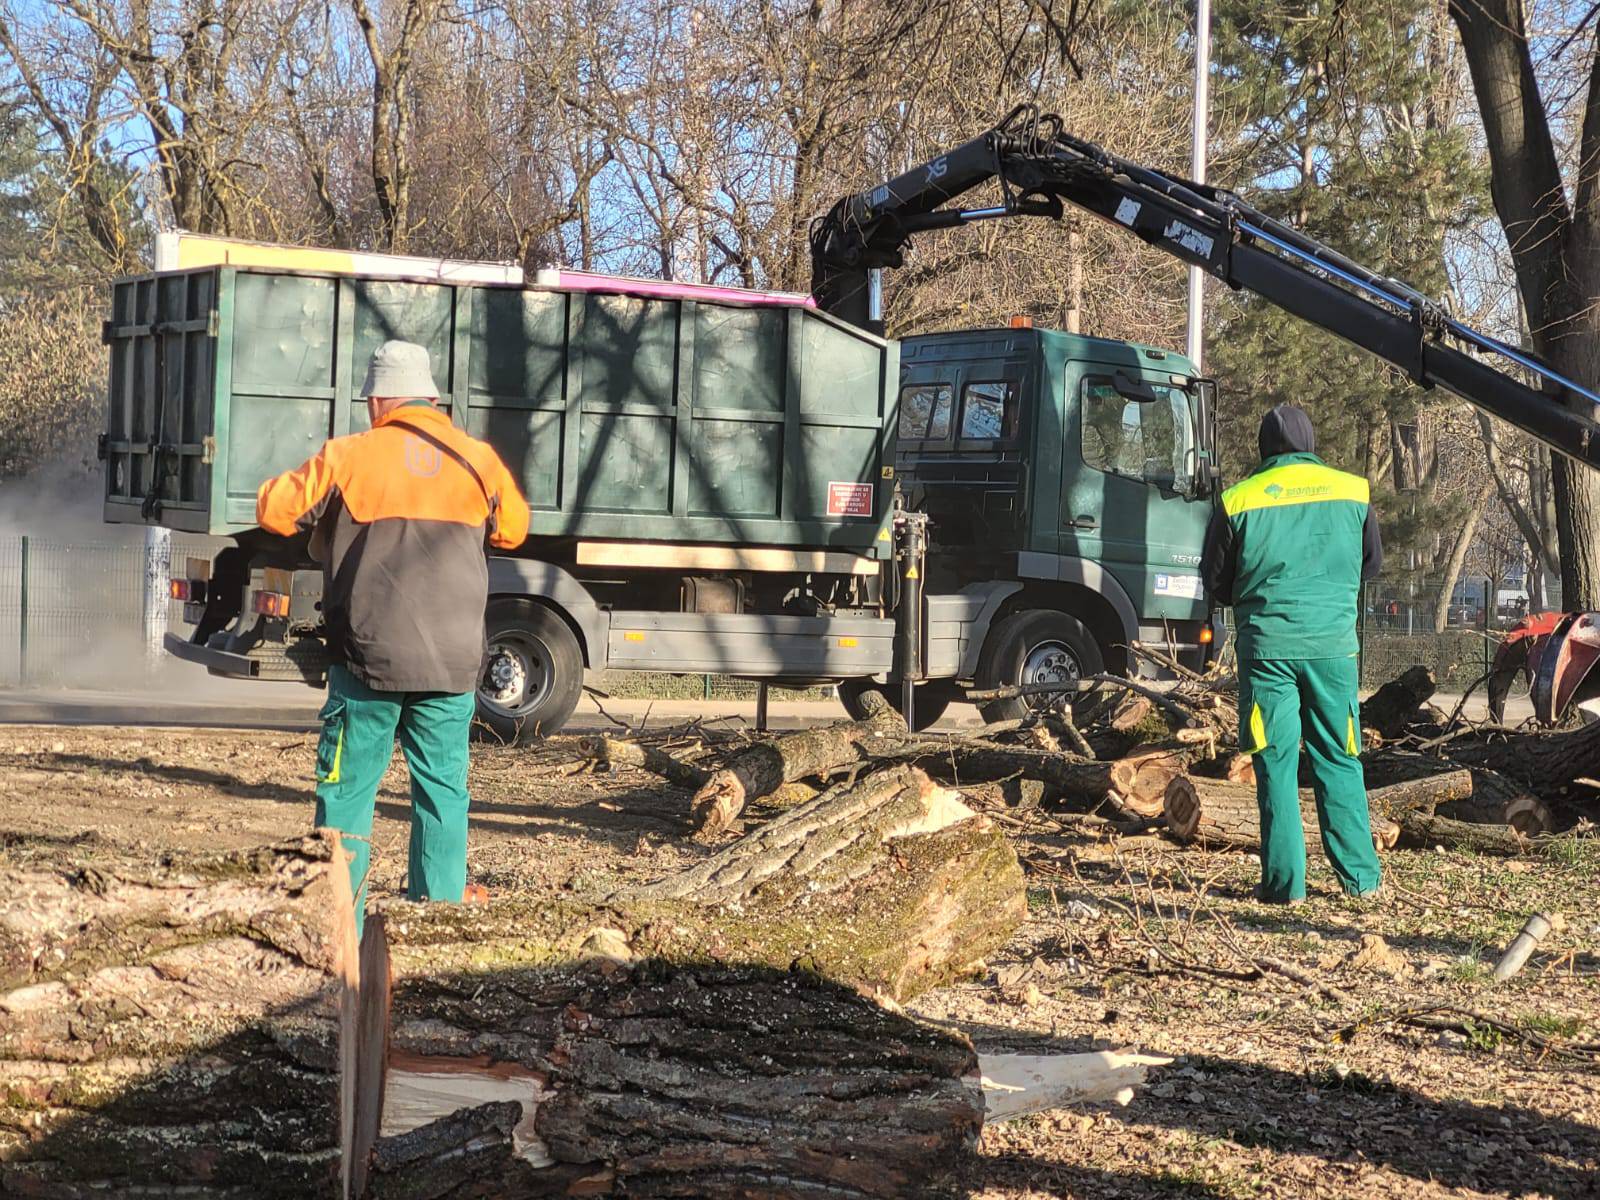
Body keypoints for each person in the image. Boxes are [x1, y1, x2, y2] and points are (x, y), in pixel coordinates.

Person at [257, 339, 530, 913]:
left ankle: (341, 930)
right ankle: (435, 925)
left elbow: (274, 511)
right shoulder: (478, 460)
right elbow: (514, 531)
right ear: (431, 398)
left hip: (365, 663)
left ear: (378, 401)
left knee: (347, 794)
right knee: (443, 796)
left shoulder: (349, 455)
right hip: (453, 666)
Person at [1200, 404, 1383, 904]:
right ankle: (1360, 881)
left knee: (1275, 764)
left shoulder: (1238, 500)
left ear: (1263, 450)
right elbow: (1370, 565)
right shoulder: (1354, 492)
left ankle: (1285, 887)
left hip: (1267, 654)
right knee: (1341, 759)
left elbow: (1215, 582)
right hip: (1334, 653)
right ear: (1311, 444)